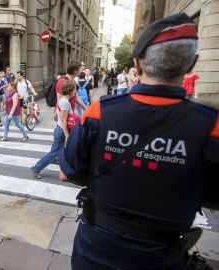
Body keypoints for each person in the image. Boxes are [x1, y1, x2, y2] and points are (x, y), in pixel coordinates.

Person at [59, 13, 219, 269]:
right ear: (191, 65)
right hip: (162, 256)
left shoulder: (100, 111)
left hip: (96, 249)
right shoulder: (212, 126)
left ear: (138, 64)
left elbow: (68, 173)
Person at [31, 80, 76, 179]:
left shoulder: (62, 100)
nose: (75, 92)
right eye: (74, 89)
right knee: (54, 153)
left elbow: (55, 115)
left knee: (55, 152)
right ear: (70, 90)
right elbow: (64, 120)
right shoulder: (65, 102)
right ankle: (36, 168)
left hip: (59, 129)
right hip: (61, 131)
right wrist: (67, 135)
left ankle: (55, 161)